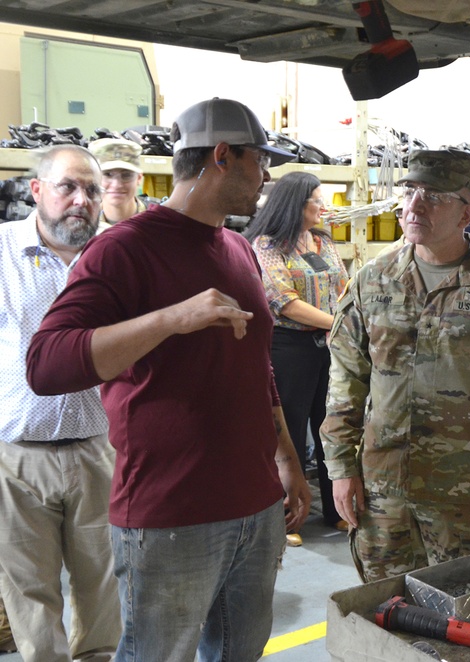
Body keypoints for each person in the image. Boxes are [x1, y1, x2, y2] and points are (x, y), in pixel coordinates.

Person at [26, 98, 311, 661]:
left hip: (255, 508)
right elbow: (47, 363)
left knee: (239, 651)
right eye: (259, 161)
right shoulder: (122, 250)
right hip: (172, 516)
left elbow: (258, 366)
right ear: (223, 157)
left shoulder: (236, 248)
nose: (266, 177)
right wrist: (172, 319)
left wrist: (286, 458)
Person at [319, 148, 470, 582]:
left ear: (467, 213)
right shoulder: (373, 280)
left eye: (434, 196)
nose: (415, 206)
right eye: (410, 191)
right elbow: (346, 381)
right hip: (382, 493)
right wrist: (340, 468)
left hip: (463, 496)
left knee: (464, 611)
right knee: (386, 611)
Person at [0, 145, 119, 661]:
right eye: (68, 186)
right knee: (30, 593)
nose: (81, 200)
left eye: (92, 190)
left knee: (105, 585)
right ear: (37, 191)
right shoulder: (3, 255)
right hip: (16, 458)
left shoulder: (114, 259)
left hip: (100, 451)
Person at [245, 171, 350, 544]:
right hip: (290, 348)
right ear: (295, 204)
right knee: (287, 427)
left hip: (328, 346)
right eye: (317, 200)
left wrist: (345, 320)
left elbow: (343, 286)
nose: (324, 206)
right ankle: (285, 516)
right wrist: (339, 324)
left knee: (331, 423)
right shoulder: (268, 245)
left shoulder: (321, 241)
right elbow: (284, 302)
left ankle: (337, 510)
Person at [88, 138, 148, 228]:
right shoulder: (86, 224)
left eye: (126, 175)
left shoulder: (157, 220)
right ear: (94, 178)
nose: (117, 185)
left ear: (139, 178)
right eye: (108, 175)